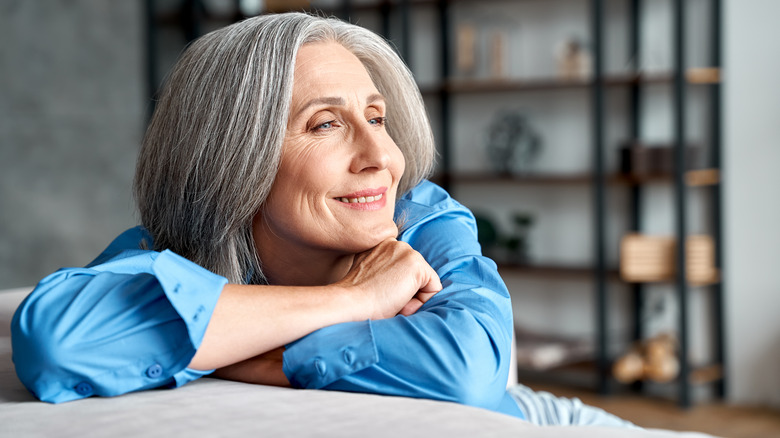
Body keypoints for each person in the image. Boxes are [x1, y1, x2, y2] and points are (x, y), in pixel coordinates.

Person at [11, 12, 634, 427]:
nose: (383, 158)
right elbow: (59, 342)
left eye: (377, 117)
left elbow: (466, 371)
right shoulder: (170, 247)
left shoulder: (422, 218)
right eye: (326, 124)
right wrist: (354, 298)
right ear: (232, 158)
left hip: (545, 422)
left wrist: (242, 352)